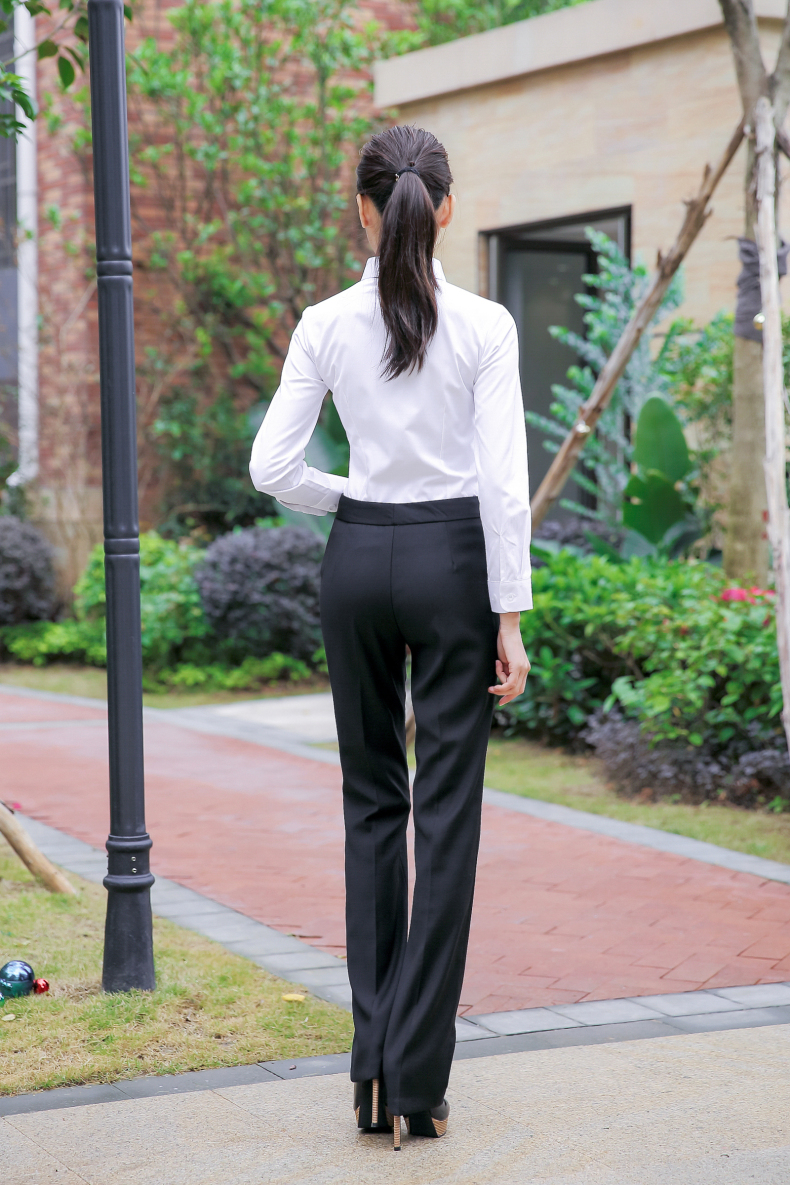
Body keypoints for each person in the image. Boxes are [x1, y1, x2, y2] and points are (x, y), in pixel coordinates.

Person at [249, 125, 531, 1150]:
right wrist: (509, 616)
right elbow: (502, 485)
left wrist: (355, 503)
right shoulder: (486, 325)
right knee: (445, 819)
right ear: (443, 207)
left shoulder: (325, 322)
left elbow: (271, 469)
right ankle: (417, 1080)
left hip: (359, 563)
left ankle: (371, 1079)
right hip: (456, 564)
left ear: (364, 210)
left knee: (371, 805)